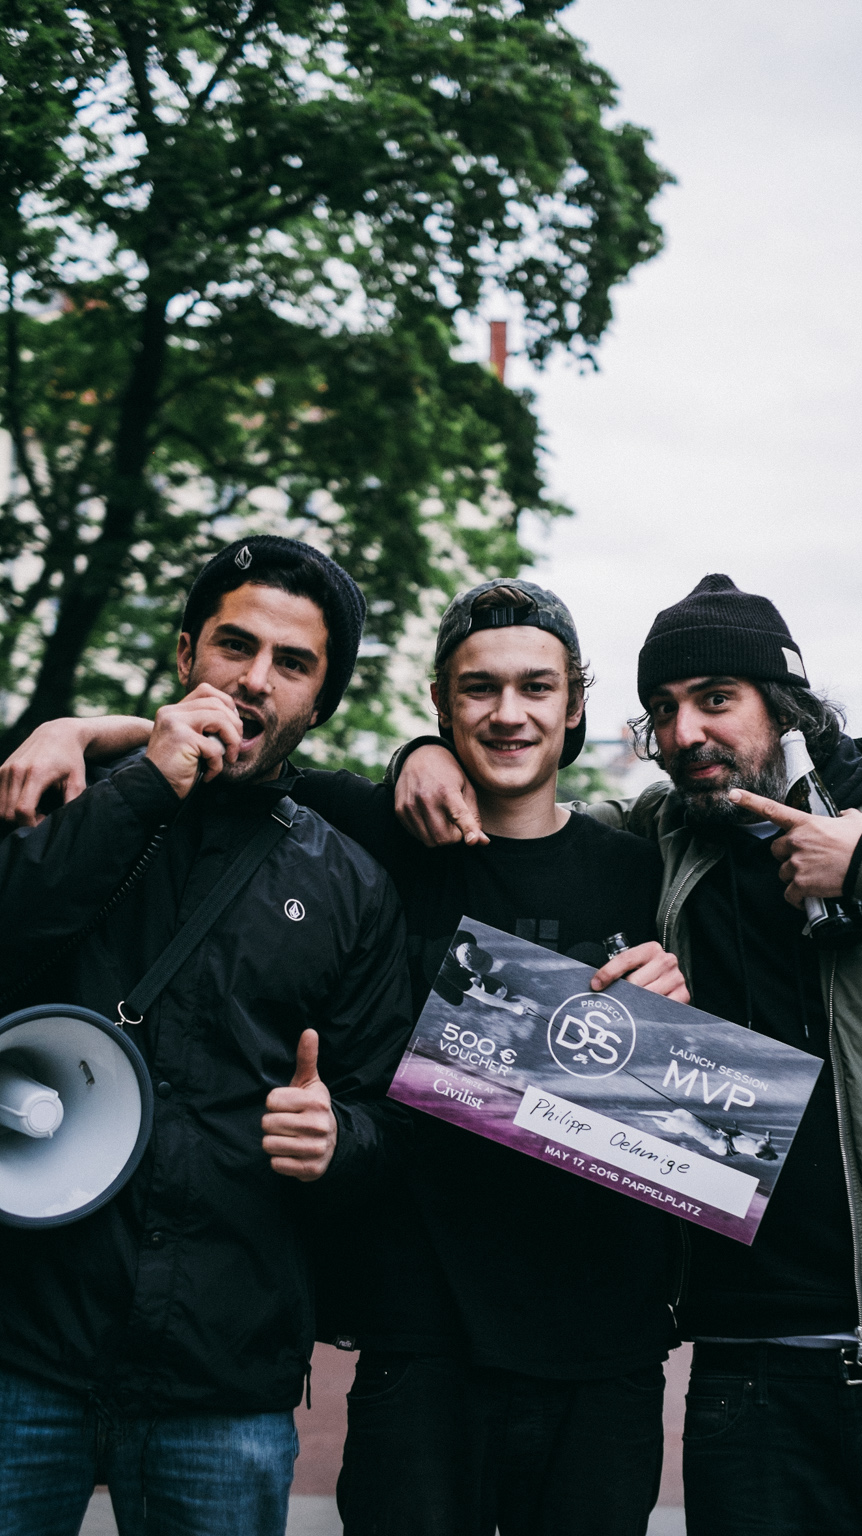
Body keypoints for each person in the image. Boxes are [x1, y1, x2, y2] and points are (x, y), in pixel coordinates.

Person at [4, 578, 692, 1536]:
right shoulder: (366, 830)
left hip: (599, 1342)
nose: (508, 713)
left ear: (575, 705)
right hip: (418, 1337)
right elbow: (244, 742)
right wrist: (76, 728)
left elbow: (710, 1104)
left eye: (537, 687)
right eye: (478, 688)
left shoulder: (647, 872)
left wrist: (675, 1007)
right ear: (440, 703)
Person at [379, 572, 862, 1536]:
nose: (685, 734)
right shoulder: (665, 834)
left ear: (785, 703)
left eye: (716, 699)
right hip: (745, 1368)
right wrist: (423, 752)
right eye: (663, 711)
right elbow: (527, 811)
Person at [0, 536, 412, 1536]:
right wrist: (142, 782)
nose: (255, 680)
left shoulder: (351, 884)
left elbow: (388, 1117)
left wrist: (339, 1138)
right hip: (25, 1349)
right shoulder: (71, 791)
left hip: (221, 1381)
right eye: (236, 645)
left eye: (292, 663)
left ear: (321, 701)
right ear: (188, 652)